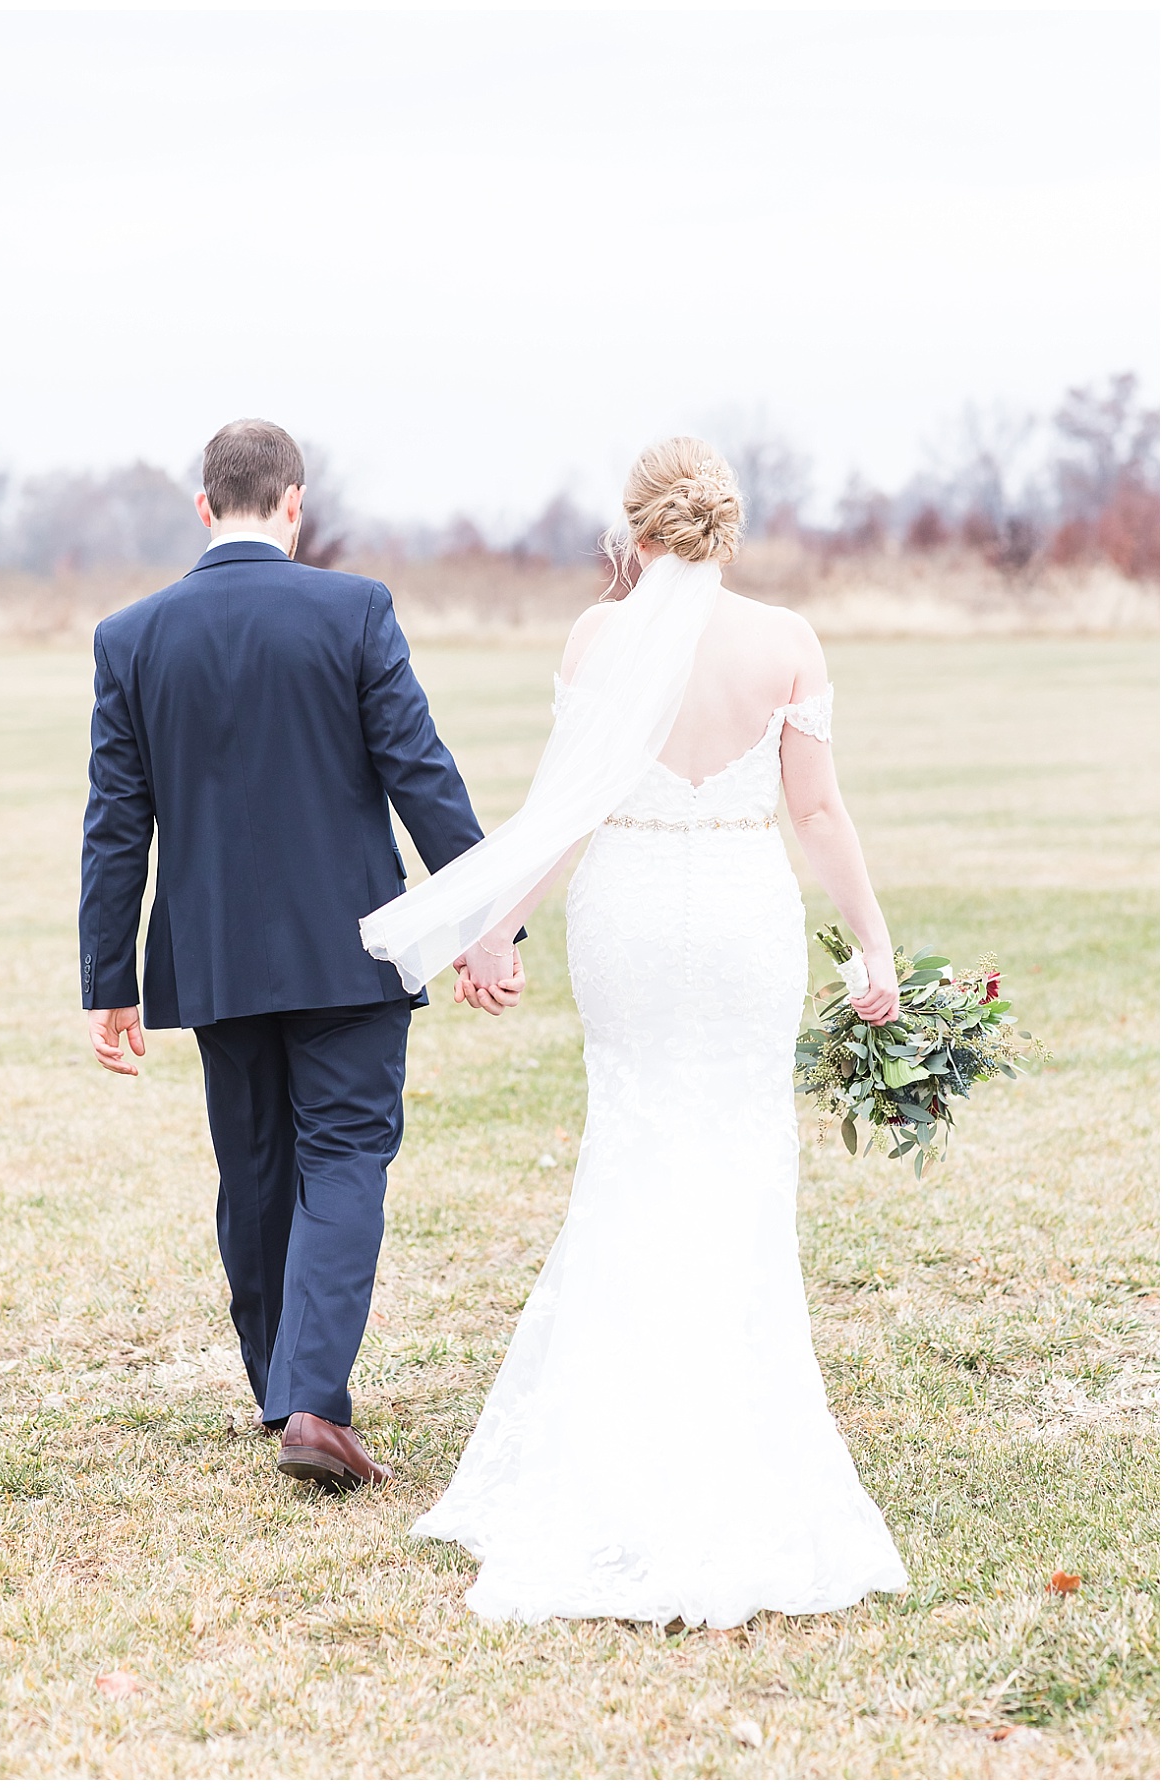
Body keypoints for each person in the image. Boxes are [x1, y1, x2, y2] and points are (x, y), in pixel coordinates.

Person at [362, 437, 908, 1625]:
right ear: (725, 524)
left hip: (629, 919)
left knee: (634, 1152)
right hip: (740, 918)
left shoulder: (598, 637)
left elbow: (569, 808)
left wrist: (496, 930)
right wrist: (875, 944)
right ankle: (733, 1428)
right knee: (737, 1161)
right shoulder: (788, 640)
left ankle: (617, 1435)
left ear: (638, 530)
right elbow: (816, 807)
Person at [79, 419, 521, 1495]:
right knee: (345, 1160)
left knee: (258, 1169)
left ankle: (283, 1386)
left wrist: (111, 981)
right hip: (352, 949)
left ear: (203, 507)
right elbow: (422, 772)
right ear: (294, 504)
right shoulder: (353, 608)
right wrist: (481, 920)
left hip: (217, 960)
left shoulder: (129, 636)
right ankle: (313, 1402)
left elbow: (114, 824)